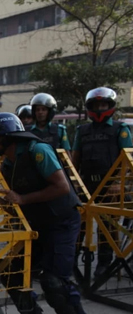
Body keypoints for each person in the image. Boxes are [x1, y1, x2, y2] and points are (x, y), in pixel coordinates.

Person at [0, 112, 103, 314]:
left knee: (54, 282)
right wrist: (0, 199)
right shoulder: (8, 163)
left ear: (7, 136)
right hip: (37, 223)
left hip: (61, 222)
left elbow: (61, 187)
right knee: (9, 269)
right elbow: (15, 202)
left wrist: (22, 199)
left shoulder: (38, 150)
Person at [72, 87, 132, 277]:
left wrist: (117, 182)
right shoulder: (82, 131)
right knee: (77, 224)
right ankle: (71, 260)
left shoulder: (120, 130)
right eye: (96, 105)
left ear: (110, 106)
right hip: (86, 185)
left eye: (103, 104)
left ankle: (104, 264)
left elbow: (127, 160)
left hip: (110, 187)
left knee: (108, 227)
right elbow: (75, 158)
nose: (99, 108)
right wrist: (73, 182)